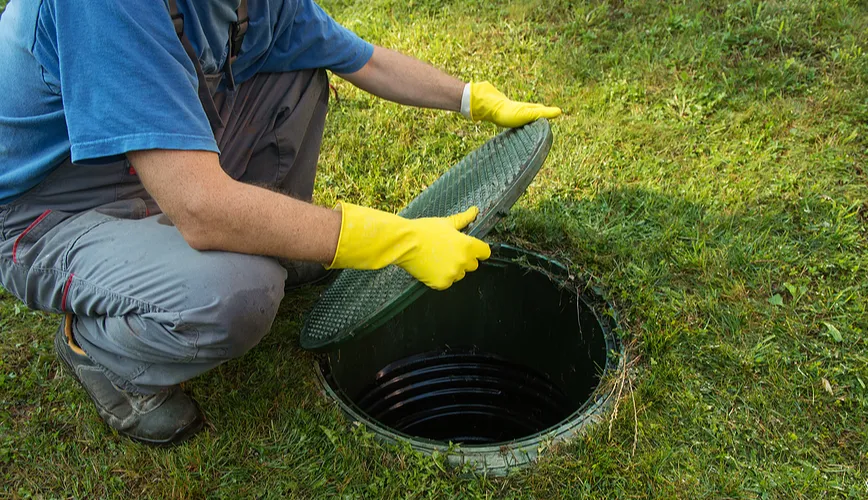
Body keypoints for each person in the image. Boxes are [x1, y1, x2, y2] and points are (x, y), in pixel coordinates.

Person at [0, 0, 561, 445]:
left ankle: (264, 243)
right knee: (236, 293)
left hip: (153, 162)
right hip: (50, 208)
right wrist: (390, 238)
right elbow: (198, 207)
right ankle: (99, 351)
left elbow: (360, 58)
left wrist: (471, 98)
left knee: (296, 70)